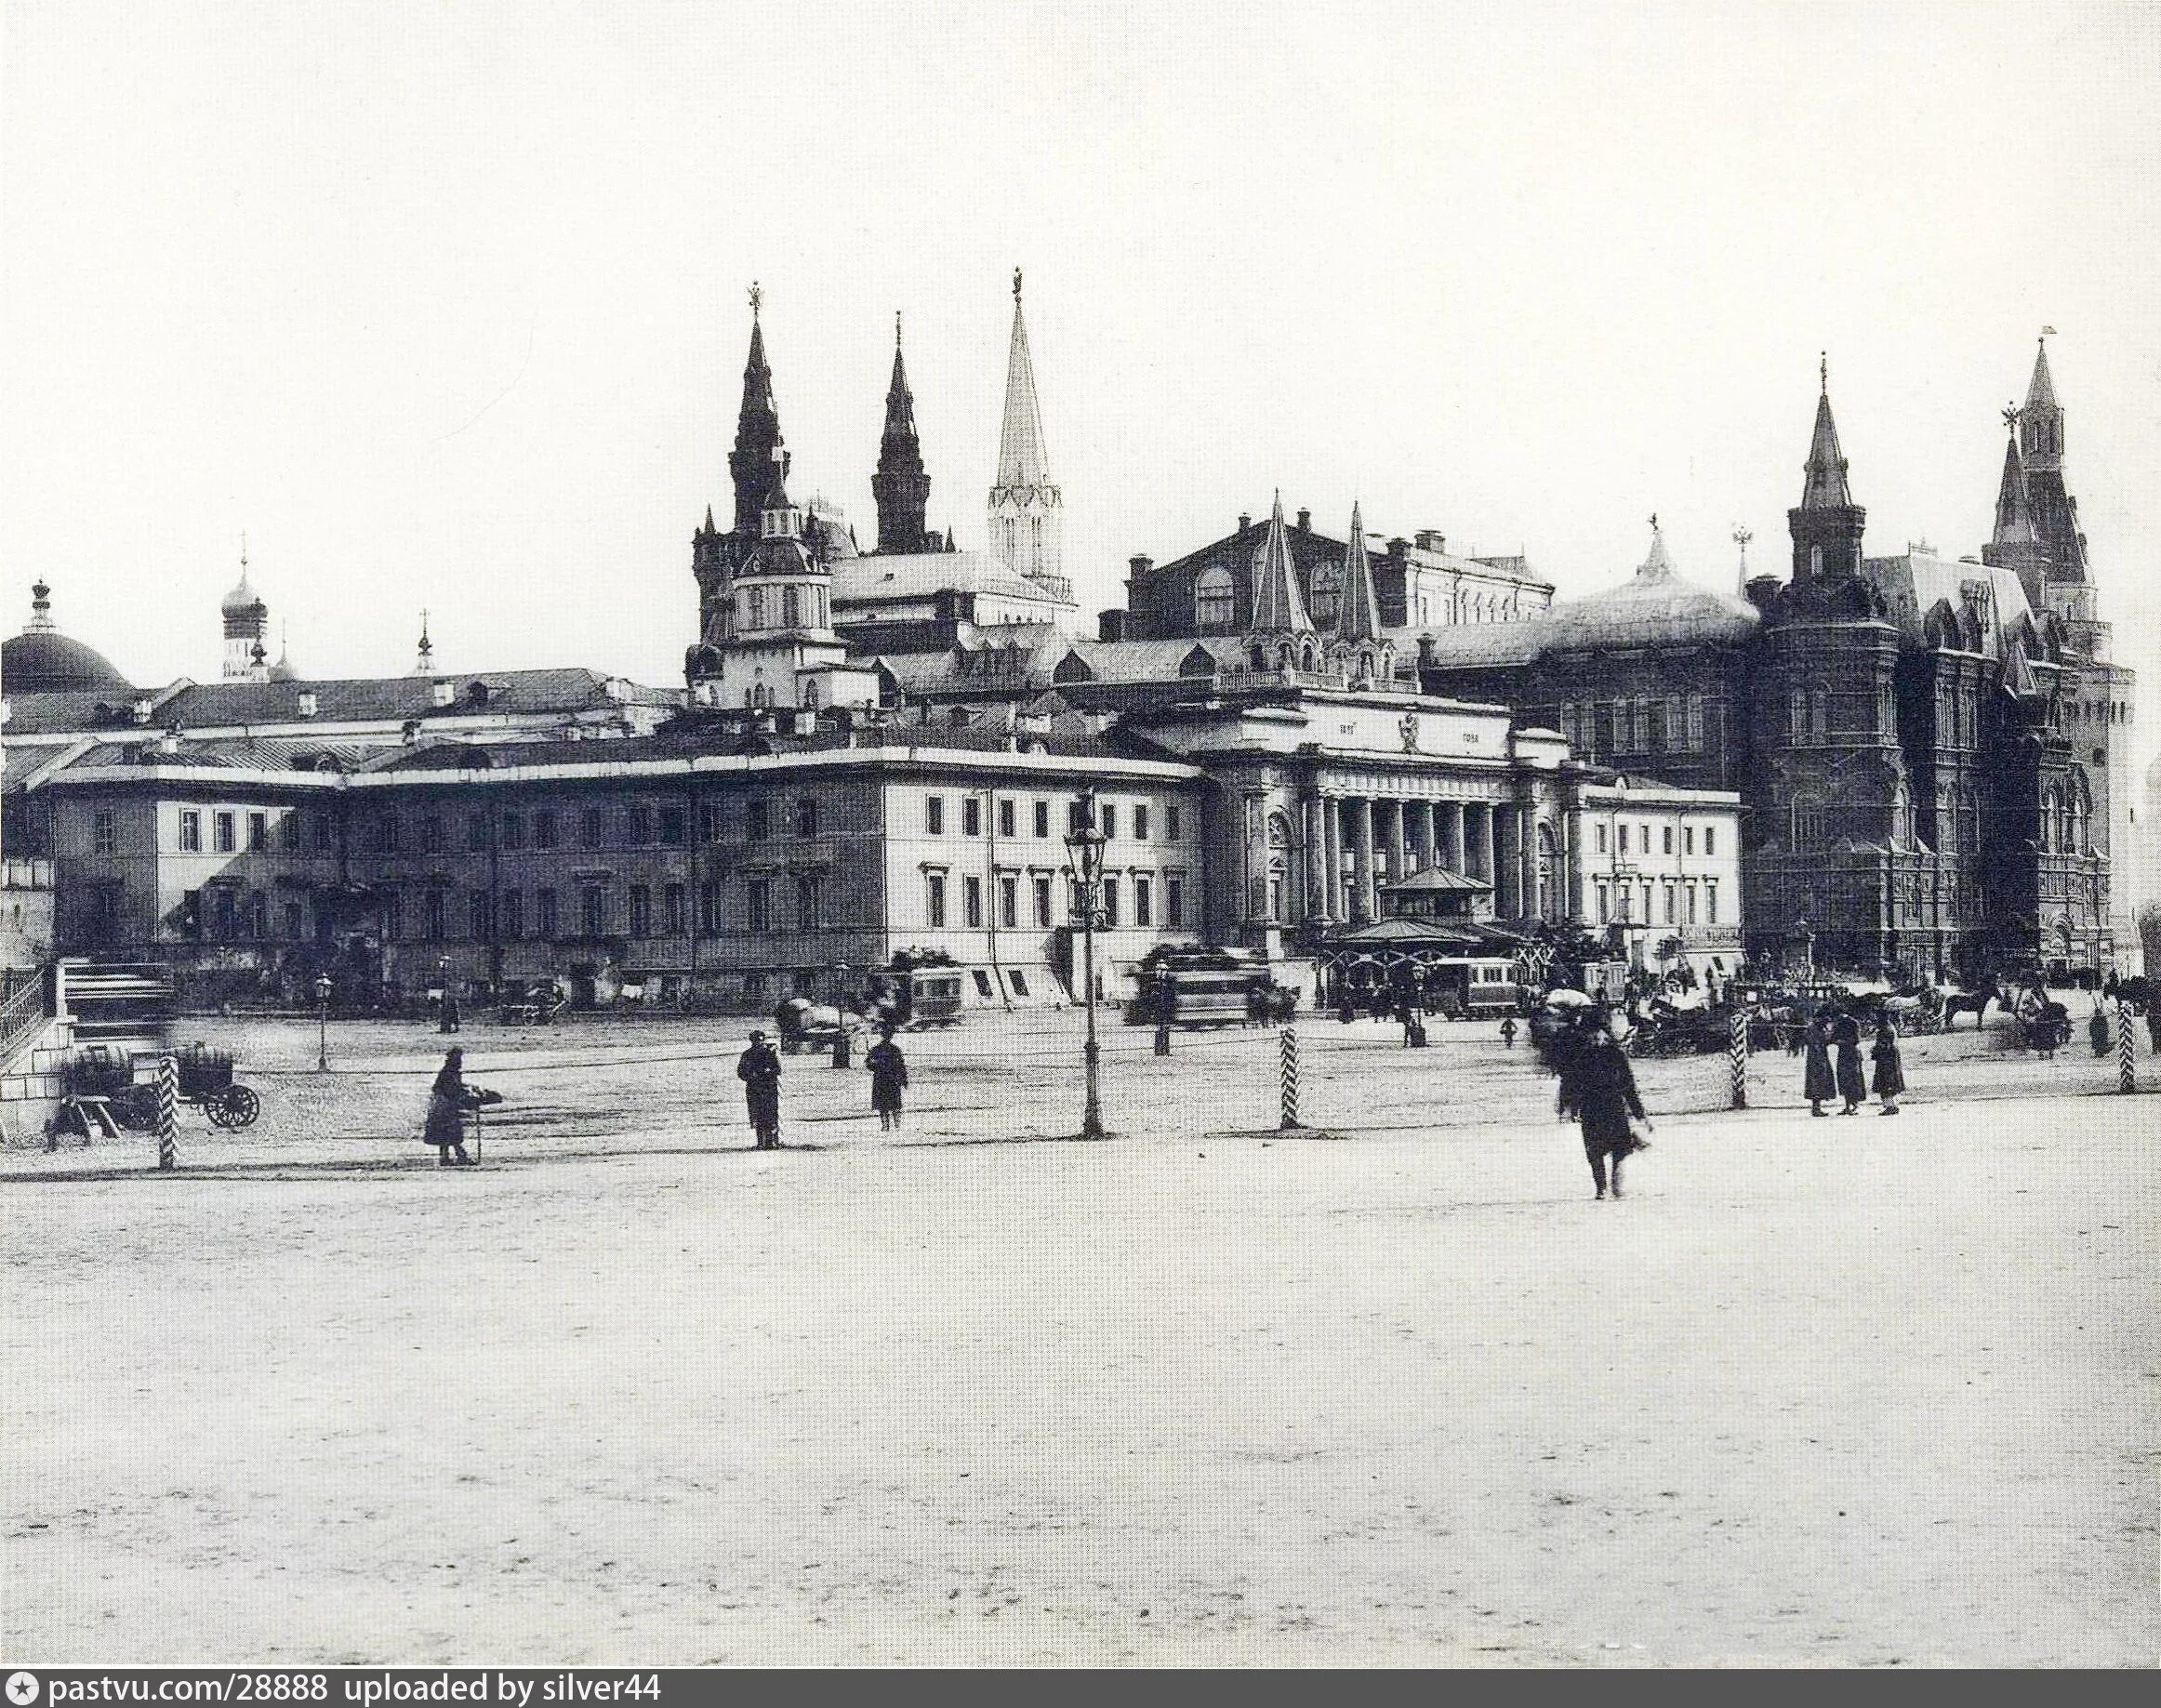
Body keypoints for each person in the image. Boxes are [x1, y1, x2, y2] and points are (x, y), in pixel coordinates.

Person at [1556, 1016, 1651, 1201]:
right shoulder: (1579, 1056)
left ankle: (1615, 1185)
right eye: (1590, 1033)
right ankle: (1601, 1188)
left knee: (1620, 1148)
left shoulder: (1615, 1054)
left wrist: (1639, 1113)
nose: (1594, 1037)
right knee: (1594, 1150)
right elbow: (1569, 1083)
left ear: (1604, 1033)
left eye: (1597, 1032)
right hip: (1591, 1108)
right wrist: (1568, 1107)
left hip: (1614, 1105)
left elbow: (1628, 1085)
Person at [424, 1046, 472, 1166]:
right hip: (444, 1106)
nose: (461, 1062)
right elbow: (449, 1089)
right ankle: (460, 1156)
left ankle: (447, 1157)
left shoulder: (450, 1071)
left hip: (443, 1106)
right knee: (451, 1132)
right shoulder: (449, 1072)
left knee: (445, 1133)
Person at [738, 1028, 783, 1149]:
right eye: (755, 1041)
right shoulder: (747, 1055)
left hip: (769, 1087)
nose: (757, 1043)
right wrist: (751, 1075)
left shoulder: (770, 1053)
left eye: (759, 1041)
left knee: (771, 1114)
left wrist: (766, 1072)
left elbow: (778, 1069)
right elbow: (741, 1072)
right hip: (754, 1088)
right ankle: (760, 1142)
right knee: (757, 1115)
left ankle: (772, 1141)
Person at [866, 1026, 908, 1132]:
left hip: (882, 1079)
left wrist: (875, 1065)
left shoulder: (876, 1049)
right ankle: (896, 1125)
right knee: (894, 1104)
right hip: (892, 1079)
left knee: (883, 1104)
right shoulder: (895, 1049)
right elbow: (901, 1065)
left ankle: (886, 1125)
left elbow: (869, 1064)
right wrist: (903, 1079)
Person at [1831, 1008, 1866, 1115]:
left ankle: (1854, 1105)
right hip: (1844, 1054)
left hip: (1852, 1054)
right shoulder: (1840, 1023)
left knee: (1853, 1079)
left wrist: (1842, 1042)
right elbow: (1833, 1038)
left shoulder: (1853, 1023)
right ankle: (1848, 1106)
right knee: (1844, 1079)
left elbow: (1856, 1040)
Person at [1871, 1016, 1905, 1116]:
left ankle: (1890, 1106)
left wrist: (1874, 1051)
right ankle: (1893, 1105)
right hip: (1892, 1059)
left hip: (1886, 1060)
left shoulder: (1884, 1031)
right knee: (1892, 1082)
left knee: (1886, 1083)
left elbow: (1884, 1046)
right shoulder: (1891, 1028)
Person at [1802, 1012, 1836, 1117]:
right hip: (1816, 1059)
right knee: (1816, 1084)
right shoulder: (1813, 1029)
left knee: (1819, 1084)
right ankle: (1816, 1108)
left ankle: (1817, 1108)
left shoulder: (1817, 1028)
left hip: (1819, 1058)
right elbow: (1815, 1043)